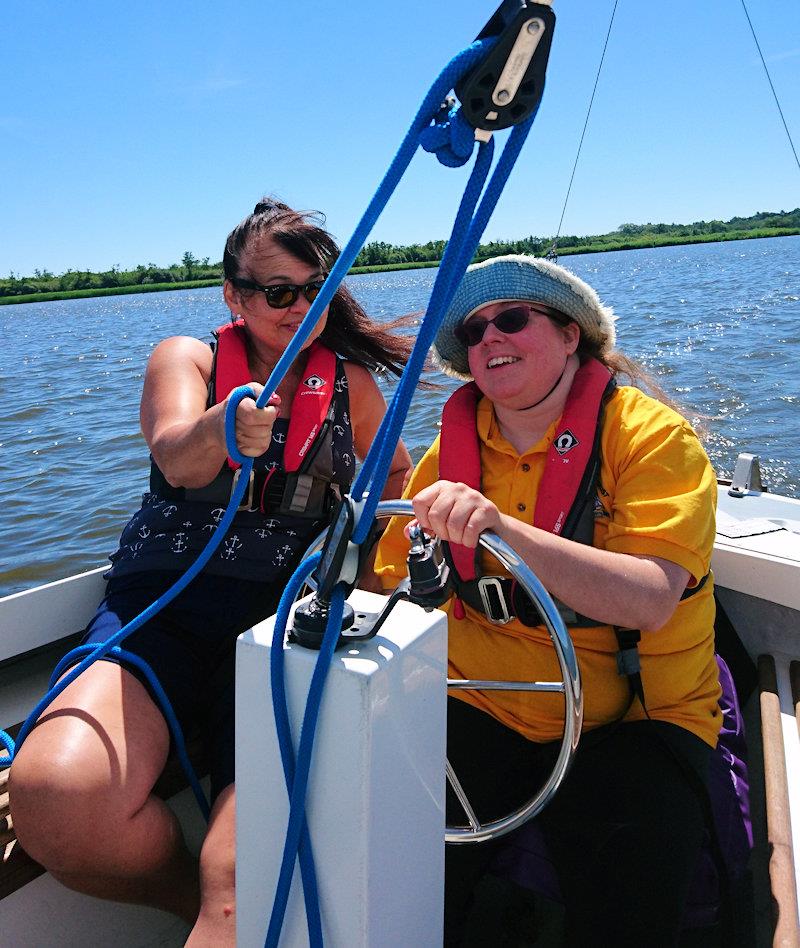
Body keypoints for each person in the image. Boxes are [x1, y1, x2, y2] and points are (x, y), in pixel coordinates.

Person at [9, 199, 413, 945]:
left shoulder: (350, 385)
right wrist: (223, 425)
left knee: (242, 888)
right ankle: (185, 895)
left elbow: (391, 477)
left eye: (314, 291)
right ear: (234, 295)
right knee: (55, 807)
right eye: (278, 292)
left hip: (282, 630)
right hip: (162, 610)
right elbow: (174, 452)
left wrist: (376, 568)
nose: (299, 309)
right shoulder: (186, 359)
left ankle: (215, 900)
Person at [375, 254, 721, 947]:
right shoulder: (452, 451)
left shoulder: (651, 437)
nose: (489, 339)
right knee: (386, 879)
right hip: (481, 698)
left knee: (625, 906)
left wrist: (502, 531)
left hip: (637, 717)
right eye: (473, 332)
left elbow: (652, 599)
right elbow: (391, 583)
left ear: (572, 336)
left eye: (511, 319)